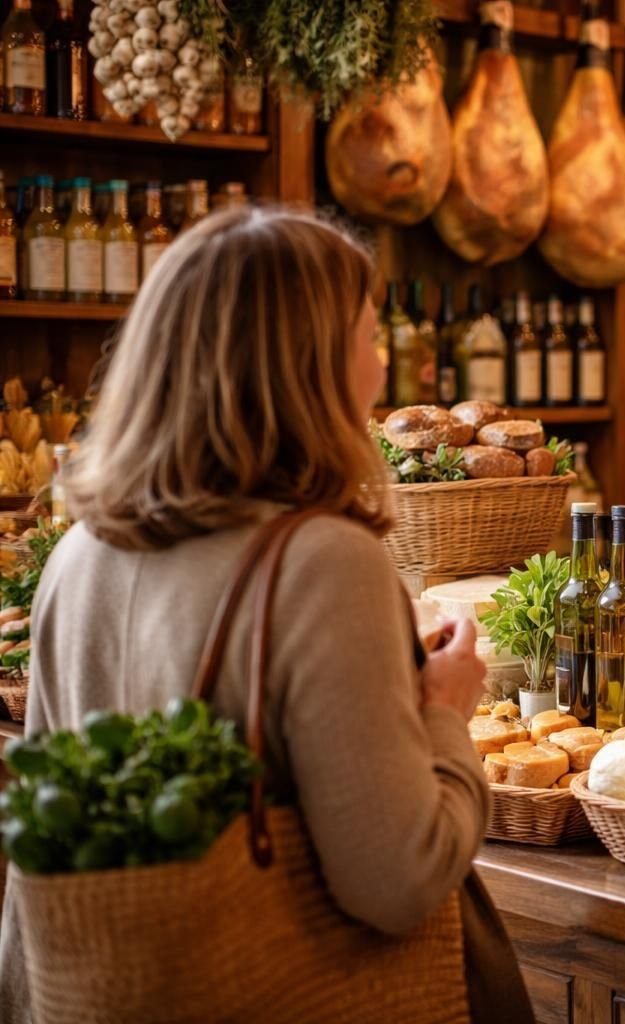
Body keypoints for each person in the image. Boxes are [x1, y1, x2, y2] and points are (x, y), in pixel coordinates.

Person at [0, 206, 532, 1023]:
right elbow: (399, 881)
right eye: (366, 334)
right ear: (304, 366)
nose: (382, 363)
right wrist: (443, 715)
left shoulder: (79, 556)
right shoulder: (322, 562)